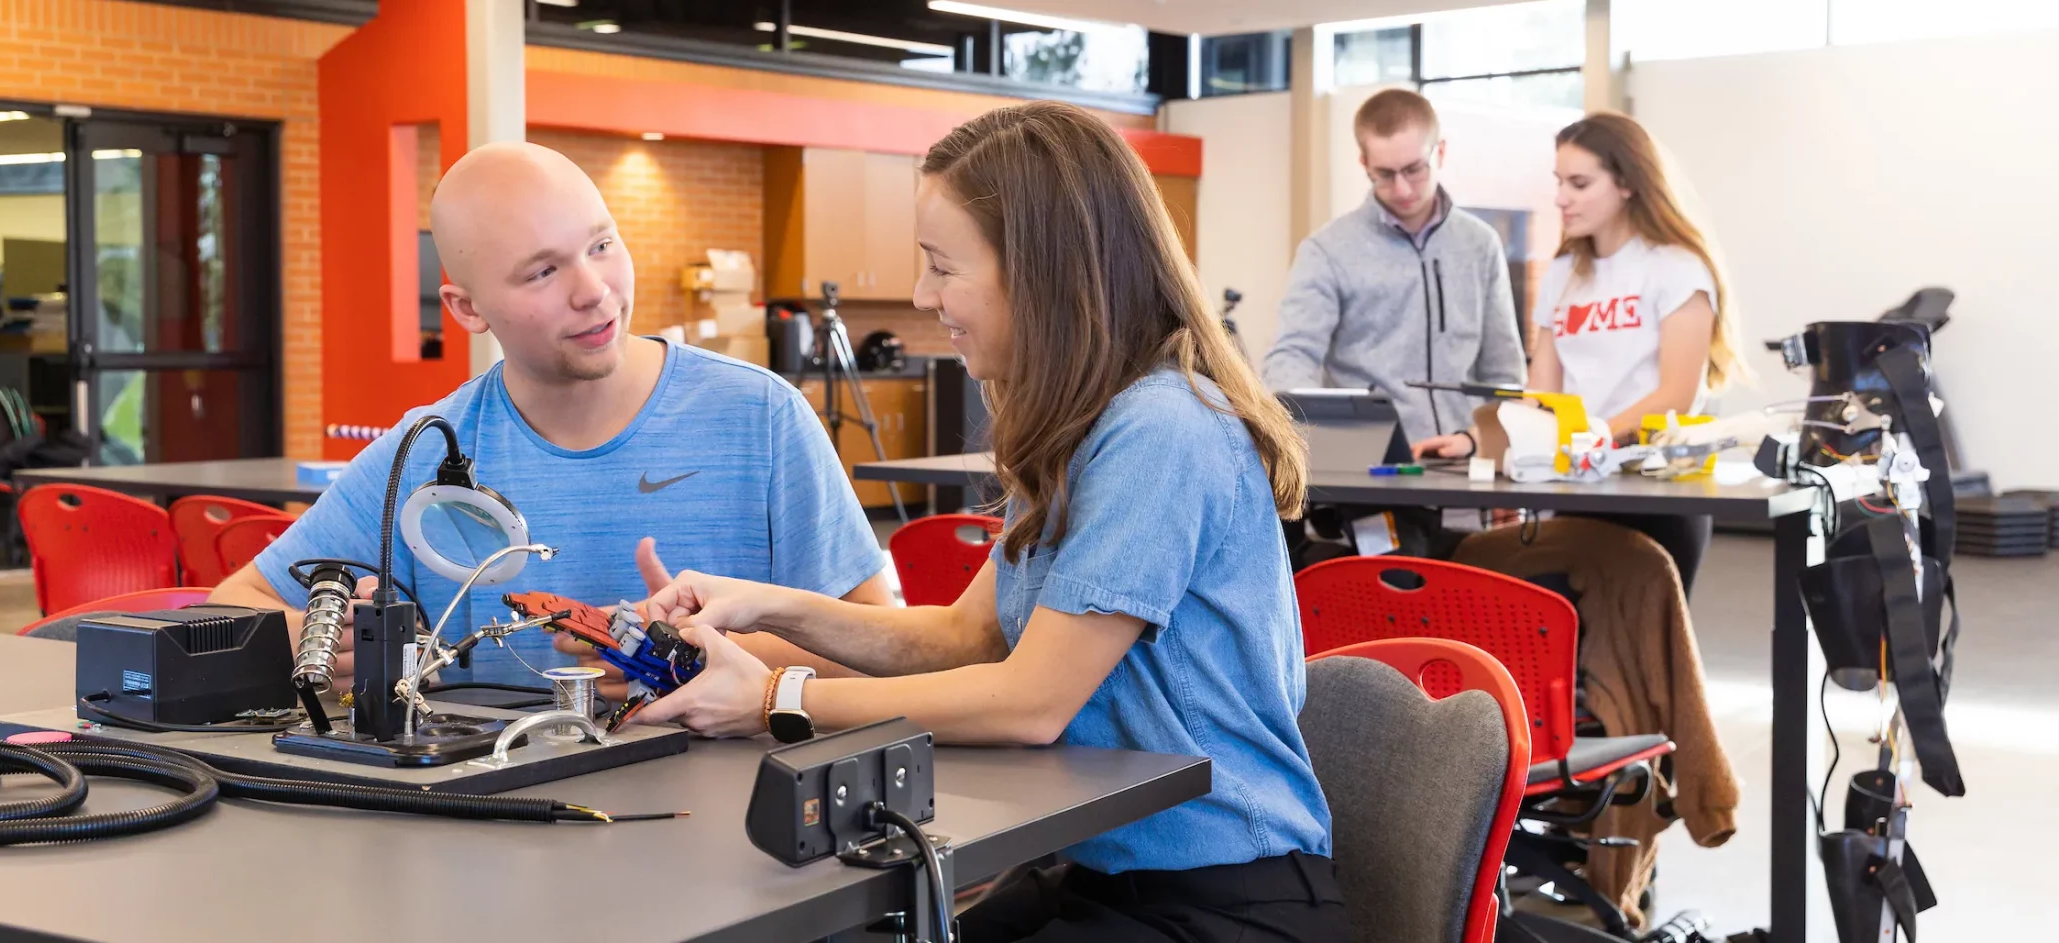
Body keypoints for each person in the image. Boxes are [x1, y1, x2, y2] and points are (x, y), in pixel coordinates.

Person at [630, 102, 1351, 943]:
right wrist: (763, 605)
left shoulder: (1163, 433)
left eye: (942, 266)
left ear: (1042, 275)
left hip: (1227, 901)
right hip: (1106, 875)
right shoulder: (1090, 428)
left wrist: (775, 698)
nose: (921, 294)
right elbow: (962, 636)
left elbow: (1029, 701)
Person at [207, 141, 890, 687]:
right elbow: (233, 606)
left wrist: (699, 661)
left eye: (601, 245)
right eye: (543, 272)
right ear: (467, 309)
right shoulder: (426, 450)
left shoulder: (762, 417)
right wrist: (323, 639)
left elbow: (880, 642)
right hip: (491, 826)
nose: (594, 292)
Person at [1413, 112, 1742, 589]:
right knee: (1560, 647)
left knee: (1642, 657)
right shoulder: (1565, 271)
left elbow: (1677, 395)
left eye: (1580, 183)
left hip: (1654, 492)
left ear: (1627, 182)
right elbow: (1541, 395)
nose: (1561, 198)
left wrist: (1586, 439)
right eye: (1560, 181)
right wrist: (1474, 440)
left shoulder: (1677, 269)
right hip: (1575, 486)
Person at [1262, 87, 1525, 445]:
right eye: (1384, 174)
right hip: (1372, 468)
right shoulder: (1326, 250)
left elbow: (1503, 372)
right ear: (1364, 165)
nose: (1402, 189)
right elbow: (1291, 358)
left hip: (1467, 463)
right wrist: (1323, 440)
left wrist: (1490, 444)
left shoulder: (1480, 244)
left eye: (1414, 169)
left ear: (1440, 152)